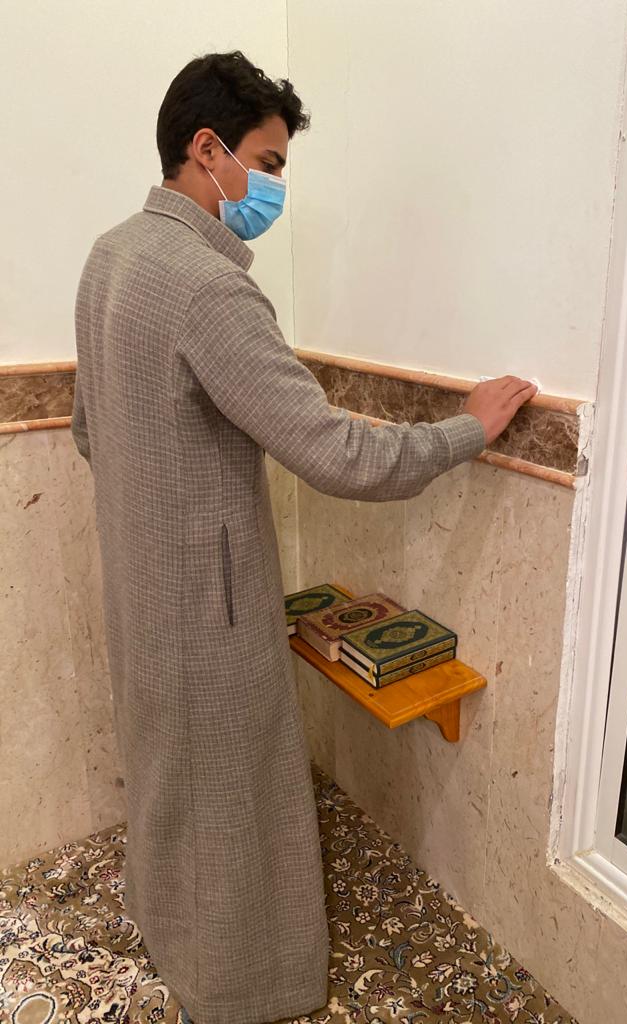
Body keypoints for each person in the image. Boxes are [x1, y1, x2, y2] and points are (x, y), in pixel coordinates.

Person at [71, 50, 538, 1024]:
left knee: (168, 775)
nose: (277, 188)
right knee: (229, 792)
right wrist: (467, 430)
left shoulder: (109, 256)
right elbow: (336, 454)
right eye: (269, 163)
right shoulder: (207, 286)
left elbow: (85, 430)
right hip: (207, 606)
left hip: (138, 583)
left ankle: (168, 932)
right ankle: (237, 987)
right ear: (208, 150)